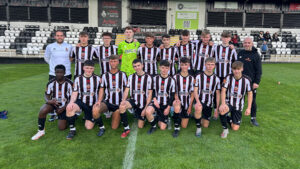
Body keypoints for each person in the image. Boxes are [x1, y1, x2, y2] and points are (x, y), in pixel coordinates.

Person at [31, 65, 73, 140]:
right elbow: (46, 94)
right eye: (57, 72)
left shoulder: (70, 83)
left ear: (65, 73)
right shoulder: (51, 83)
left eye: (61, 72)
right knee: (43, 110)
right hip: (54, 104)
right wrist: (48, 101)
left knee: (61, 128)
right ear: (55, 72)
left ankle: (67, 117)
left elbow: (72, 99)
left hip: (65, 106)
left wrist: (63, 108)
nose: (59, 74)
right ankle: (41, 131)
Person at [65, 60, 101, 140]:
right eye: (87, 68)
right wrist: (71, 102)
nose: (89, 70)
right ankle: (72, 130)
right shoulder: (78, 79)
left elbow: (101, 92)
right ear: (83, 68)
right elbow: (75, 92)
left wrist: (99, 102)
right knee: (69, 107)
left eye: (91, 68)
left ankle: (92, 117)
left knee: (88, 127)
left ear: (93, 69)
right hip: (81, 102)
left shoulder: (98, 79)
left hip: (92, 104)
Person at [92, 55, 127, 136]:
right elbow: (102, 89)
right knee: (95, 109)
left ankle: (117, 114)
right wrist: (99, 101)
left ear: (118, 62)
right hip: (107, 102)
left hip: (119, 104)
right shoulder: (104, 75)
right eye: (111, 61)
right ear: (109, 62)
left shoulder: (123, 74)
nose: (113, 63)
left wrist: (124, 101)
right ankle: (101, 127)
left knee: (114, 127)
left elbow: (126, 89)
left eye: (115, 61)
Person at [119, 59, 153, 137]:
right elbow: (126, 90)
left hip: (144, 102)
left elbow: (150, 93)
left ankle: (148, 114)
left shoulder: (148, 77)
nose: (137, 68)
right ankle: (126, 128)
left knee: (140, 126)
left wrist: (145, 108)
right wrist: (123, 100)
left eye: (138, 65)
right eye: (135, 66)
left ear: (142, 65)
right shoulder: (131, 77)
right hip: (134, 100)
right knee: (122, 106)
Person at [219, 61, 253, 138]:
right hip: (229, 103)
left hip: (238, 105)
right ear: (232, 69)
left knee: (235, 128)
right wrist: (223, 103)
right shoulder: (228, 77)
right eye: (234, 69)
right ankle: (225, 129)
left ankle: (228, 118)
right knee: (222, 110)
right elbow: (223, 90)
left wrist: (249, 108)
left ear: (242, 69)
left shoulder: (247, 80)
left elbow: (250, 94)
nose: (236, 71)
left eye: (238, 69)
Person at [44, 30, 72, 122]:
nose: (59, 37)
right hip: (53, 73)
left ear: (64, 36)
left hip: (67, 73)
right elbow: (46, 58)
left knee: (67, 94)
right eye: (58, 35)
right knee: (52, 94)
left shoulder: (69, 46)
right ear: (55, 37)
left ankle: (67, 110)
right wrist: (54, 67)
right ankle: (53, 113)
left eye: (61, 35)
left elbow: (71, 58)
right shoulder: (50, 46)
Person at [145, 60, 176, 134]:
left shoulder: (172, 80)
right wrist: (155, 100)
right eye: (162, 68)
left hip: (165, 104)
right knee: (148, 111)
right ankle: (153, 126)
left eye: (166, 68)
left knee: (162, 127)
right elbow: (152, 91)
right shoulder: (155, 78)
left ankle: (160, 117)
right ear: (159, 68)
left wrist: (168, 107)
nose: (164, 70)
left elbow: (172, 95)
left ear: (169, 68)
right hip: (156, 102)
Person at [237, 37, 262, 126]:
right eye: (245, 43)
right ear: (243, 43)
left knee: (252, 100)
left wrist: (256, 82)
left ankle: (253, 118)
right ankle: (238, 118)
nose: (247, 44)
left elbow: (259, 70)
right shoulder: (240, 53)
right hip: (240, 81)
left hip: (251, 83)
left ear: (252, 43)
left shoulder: (256, 55)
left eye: (248, 43)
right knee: (239, 100)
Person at [194, 57, 221, 137]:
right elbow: (195, 91)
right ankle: (198, 128)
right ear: (205, 65)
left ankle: (197, 116)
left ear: (214, 66)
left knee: (205, 125)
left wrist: (216, 108)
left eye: (212, 65)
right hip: (200, 100)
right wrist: (198, 102)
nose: (210, 66)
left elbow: (218, 94)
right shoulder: (199, 76)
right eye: (208, 64)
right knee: (198, 108)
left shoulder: (217, 79)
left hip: (209, 103)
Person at [213, 31, 237, 119]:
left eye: (227, 37)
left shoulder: (232, 49)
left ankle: (227, 110)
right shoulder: (216, 48)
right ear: (221, 38)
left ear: (230, 39)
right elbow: (213, 60)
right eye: (224, 37)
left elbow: (235, 63)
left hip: (228, 76)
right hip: (218, 75)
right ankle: (216, 110)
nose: (225, 39)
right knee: (217, 93)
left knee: (227, 93)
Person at [172, 57, 194, 137]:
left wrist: (190, 106)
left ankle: (175, 113)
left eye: (186, 65)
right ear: (180, 66)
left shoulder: (192, 78)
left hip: (187, 102)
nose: (184, 67)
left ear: (189, 65)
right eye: (182, 65)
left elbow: (192, 94)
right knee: (177, 106)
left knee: (184, 126)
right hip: (178, 100)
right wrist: (177, 99)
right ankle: (176, 128)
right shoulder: (175, 77)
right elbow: (174, 91)